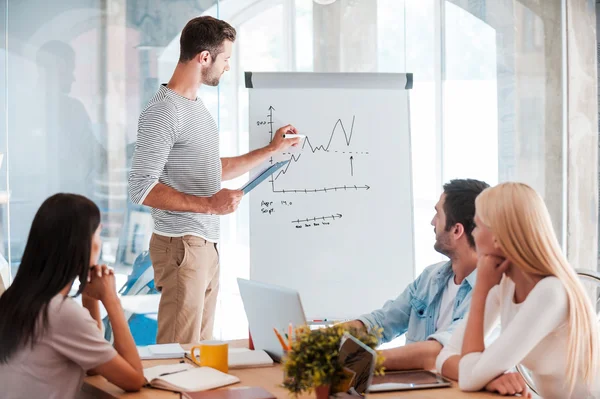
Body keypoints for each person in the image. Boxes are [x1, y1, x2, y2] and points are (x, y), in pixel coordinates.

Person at [128, 16, 300, 344]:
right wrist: (209, 205)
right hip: (182, 244)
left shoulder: (195, 108)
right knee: (178, 356)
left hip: (205, 245)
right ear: (204, 58)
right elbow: (141, 186)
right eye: (226, 60)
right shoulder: (163, 111)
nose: (227, 68)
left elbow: (211, 170)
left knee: (199, 353)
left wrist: (271, 150)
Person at [436, 182, 600, 399]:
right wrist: (487, 376)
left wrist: (480, 290)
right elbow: (445, 357)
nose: (473, 234)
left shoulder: (551, 293)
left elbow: (468, 376)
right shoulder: (505, 284)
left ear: (497, 236)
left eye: (476, 226)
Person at [0, 194, 145, 399]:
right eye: (98, 235)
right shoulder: (59, 312)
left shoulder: (14, 299)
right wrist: (112, 300)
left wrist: (90, 298)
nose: (100, 244)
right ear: (83, 244)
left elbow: (94, 364)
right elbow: (134, 379)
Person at [343, 179, 489, 370]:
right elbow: (380, 324)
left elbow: (437, 353)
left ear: (456, 230)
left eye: (438, 214)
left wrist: (359, 361)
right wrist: (317, 343)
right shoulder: (431, 277)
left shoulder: (489, 291)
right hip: (415, 386)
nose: (432, 222)